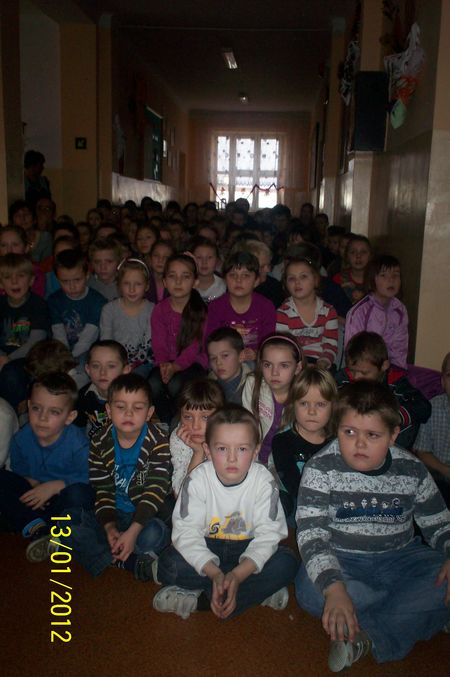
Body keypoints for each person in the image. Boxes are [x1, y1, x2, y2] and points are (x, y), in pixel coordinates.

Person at [295, 380, 450, 671]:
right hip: (343, 561)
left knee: (443, 575)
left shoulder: (412, 468)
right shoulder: (320, 468)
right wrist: (334, 589)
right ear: (337, 428)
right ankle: (415, 613)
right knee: (309, 591)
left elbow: (440, 523)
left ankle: (369, 634)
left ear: (393, 435)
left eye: (373, 435)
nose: (359, 443)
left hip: (402, 558)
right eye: (349, 432)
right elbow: (312, 535)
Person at [153, 404, 299, 619]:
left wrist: (238, 575)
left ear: (255, 451)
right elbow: (186, 532)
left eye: (242, 449)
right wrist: (214, 572)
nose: (232, 458)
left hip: (247, 549)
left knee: (287, 563)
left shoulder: (263, 481)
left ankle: (205, 600)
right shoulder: (196, 479)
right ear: (208, 450)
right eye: (222, 449)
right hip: (207, 546)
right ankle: (252, 592)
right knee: (168, 565)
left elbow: (269, 535)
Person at [66, 373, 172, 580]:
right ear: (108, 410)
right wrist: (109, 527)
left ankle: (105, 551)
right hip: (113, 513)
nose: (128, 413)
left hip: (143, 515)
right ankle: (125, 560)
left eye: (137, 408)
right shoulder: (100, 441)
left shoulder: (158, 441)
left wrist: (133, 531)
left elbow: (155, 491)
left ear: (149, 413)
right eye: (121, 407)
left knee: (157, 532)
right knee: (65, 520)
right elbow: (103, 490)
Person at [0, 373, 92, 562]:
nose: (42, 417)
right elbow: (19, 471)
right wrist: (33, 485)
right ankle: (37, 527)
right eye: (36, 408)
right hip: (34, 496)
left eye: (54, 412)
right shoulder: (21, 438)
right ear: (28, 405)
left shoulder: (78, 443)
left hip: (62, 497)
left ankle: (46, 528)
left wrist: (55, 486)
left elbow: (90, 477)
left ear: (69, 417)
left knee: (79, 495)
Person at [335, 331, 430, 450]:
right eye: (352, 371)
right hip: (353, 437)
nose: (356, 377)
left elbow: (424, 407)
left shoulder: (396, 382)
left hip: (390, 444)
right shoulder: (344, 378)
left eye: (364, 373)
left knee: (412, 414)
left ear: (384, 366)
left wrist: (393, 417)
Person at [149, 253, 208, 424]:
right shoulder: (160, 309)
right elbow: (158, 343)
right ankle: (167, 422)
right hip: (167, 362)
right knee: (152, 384)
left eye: (185, 276)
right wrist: (164, 365)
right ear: (164, 282)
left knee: (176, 385)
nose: (178, 282)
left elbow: (194, 347)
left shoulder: (200, 310)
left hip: (194, 363)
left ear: (195, 282)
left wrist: (176, 366)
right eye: (172, 276)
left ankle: (181, 421)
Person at [272, 367, 337, 519]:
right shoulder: (282, 441)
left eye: (320, 404)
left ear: (332, 406)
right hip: (295, 503)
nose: (312, 412)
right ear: (293, 404)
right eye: (304, 403)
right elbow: (293, 486)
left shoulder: (337, 442)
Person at [242, 334, 305, 468]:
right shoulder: (253, 384)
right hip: (254, 459)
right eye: (268, 365)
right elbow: (247, 427)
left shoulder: (304, 393)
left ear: (298, 368)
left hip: (286, 463)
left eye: (284, 365)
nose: (274, 372)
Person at [206, 251, 276, 363]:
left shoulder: (266, 306)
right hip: (223, 361)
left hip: (257, 361)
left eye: (245, 275)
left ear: (256, 281)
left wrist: (256, 353)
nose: (238, 280)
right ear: (225, 279)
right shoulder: (215, 307)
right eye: (233, 275)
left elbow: (268, 342)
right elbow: (211, 341)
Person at [0, 253, 50, 409]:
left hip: (29, 360)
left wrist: (8, 359)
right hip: (3, 358)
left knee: (11, 373)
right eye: (7, 277)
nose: (14, 281)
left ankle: (20, 411)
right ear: (1, 284)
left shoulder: (38, 305)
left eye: (20, 276)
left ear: (31, 280)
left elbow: (36, 342)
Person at [344, 255, 409, 370]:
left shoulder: (400, 310)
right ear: (372, 280)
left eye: (395, 275)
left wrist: (398, 373)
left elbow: (400, 349)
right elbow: (353, 354)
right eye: (383, 275)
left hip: (389, 369)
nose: (391, 280)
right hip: (363, 370)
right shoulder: (360, 312)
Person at [48, 248, 106, 371]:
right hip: (61, 350)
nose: (72, 286)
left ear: (87, 275)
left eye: (77, 280)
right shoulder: (54, 300)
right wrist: (63, 356)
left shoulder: (97, 301)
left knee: (81, 367)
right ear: (57, 279)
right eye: (65, 281)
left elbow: (89, 337)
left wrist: (70, 359)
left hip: (87, 350)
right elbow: (58, 334)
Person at [276, 256, 338, 369]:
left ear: (316, 280)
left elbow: (330, 345)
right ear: (285, 284)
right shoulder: (283, 313)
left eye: (303, 276)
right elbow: (284, 346)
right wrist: (301, 365)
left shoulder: (328, 311)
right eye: (291, 278)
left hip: (320, 362)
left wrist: (323, 362)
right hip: (294, 363)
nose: (297, 282)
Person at [170, 378, 224, 497]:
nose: (195, 426)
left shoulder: (229, 437)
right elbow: (180, 494)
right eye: (188, 417)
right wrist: (198, 452)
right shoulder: (180, 438)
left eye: (205, 417)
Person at [100, 258, 154, 377]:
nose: (132, 289)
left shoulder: (152, 310)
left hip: (142, 363)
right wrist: (117, 364)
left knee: (131, 380)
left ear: (146, 286)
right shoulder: (109, 309)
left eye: (138, 284)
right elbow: (106, 341)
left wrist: (129, 366)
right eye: (126, 283)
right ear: (119, 285)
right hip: (114, 361)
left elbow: (147, 346)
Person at [414, 351, 450, 506]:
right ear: (443, 381)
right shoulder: (433, 407)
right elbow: (422, 452)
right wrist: (446, 470)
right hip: (440, 477)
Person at [75, 340, 131, 439]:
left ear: (125, 370)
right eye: (96, 366)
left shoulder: (133, 397)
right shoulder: (83, 396)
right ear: (88, 369)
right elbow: (78, 428)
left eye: (111, 366)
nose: (102, 372)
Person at [206, 327, 250, 405]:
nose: (218, 363)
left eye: (225, 355)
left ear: (241, 356)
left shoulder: (255, 387)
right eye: (213, 358)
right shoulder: (207, 387)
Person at [0, 225, 45, 297]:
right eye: (3, 245)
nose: (9, 250)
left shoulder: (35, 271)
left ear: (26, 248)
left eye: (15, 245)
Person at [333, 234, 372, 305]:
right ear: (347, 256)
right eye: (353, 252)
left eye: (363, 252)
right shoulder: (338, 279)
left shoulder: (377, 280)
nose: (358, 256)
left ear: (370, 256)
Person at [190, 236, 226, 303]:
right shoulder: (186, 285)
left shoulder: (225, 287)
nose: (204, 262)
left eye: (209, 257)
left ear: (217, 260)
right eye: (199, 257)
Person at [88, 237, 121, 301]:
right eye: (97, 262)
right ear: (91, 263)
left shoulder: (127, 284)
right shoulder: (86, 285)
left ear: (118, 261)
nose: (103, 267)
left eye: (109, 261)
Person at [146, 240, 173, 304]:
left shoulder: (176, 283)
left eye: (166, 257)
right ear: (150, 258)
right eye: (156, 255)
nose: (160, 260)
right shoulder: (143, 280)